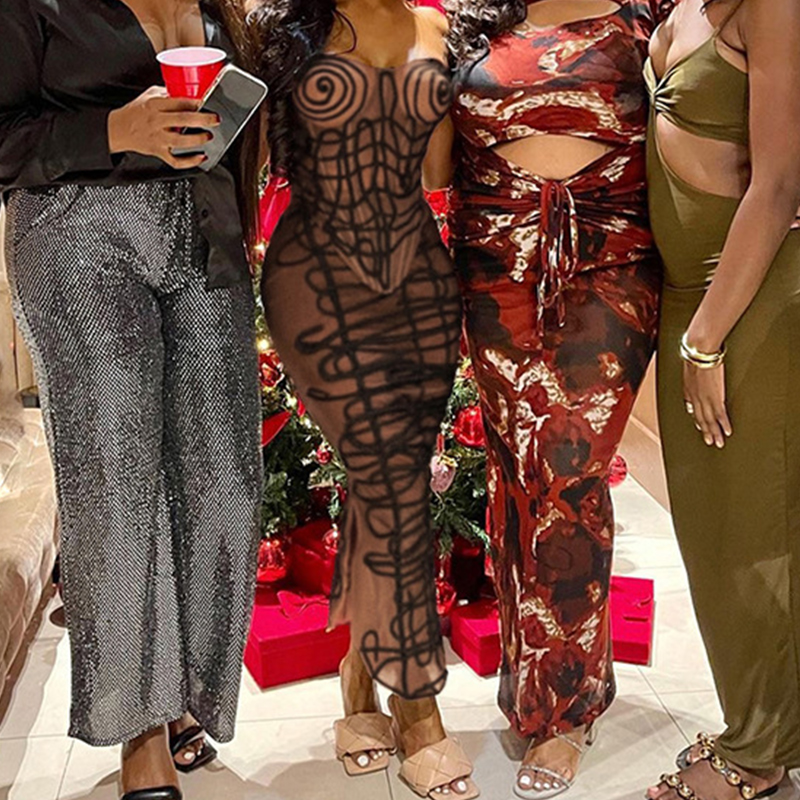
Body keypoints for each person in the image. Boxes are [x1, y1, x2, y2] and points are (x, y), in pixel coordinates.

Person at [0, 1, 263, 798]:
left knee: (225, 483)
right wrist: (115, 129)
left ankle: (186, 692)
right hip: (76, 230)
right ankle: (140, 730)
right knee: (115, 485)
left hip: (203, 226)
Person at [442, 0, 674, 796]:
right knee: (516, 475)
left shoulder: (647, 17)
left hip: (608, 266)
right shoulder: (475, 18)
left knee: (569, 475)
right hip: (492, 267)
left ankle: (569, 708)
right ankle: (529, 686)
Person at [247, 1, 476, 797]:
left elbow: (438, 174)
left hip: (414, 273)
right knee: (389, 476)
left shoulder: (436, 28)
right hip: (314, 274)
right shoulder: (286, 28)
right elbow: (249, 159)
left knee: (391, 480)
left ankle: (355, 673)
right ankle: (416, 707)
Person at [645, 0, 800, 797]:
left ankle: (756, 755)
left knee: (750, 537)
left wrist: (706, 338)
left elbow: (776, 186)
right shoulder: (686, 5)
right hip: (694, 297)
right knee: (719, 534)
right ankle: (767, 724)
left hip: (740, 300)